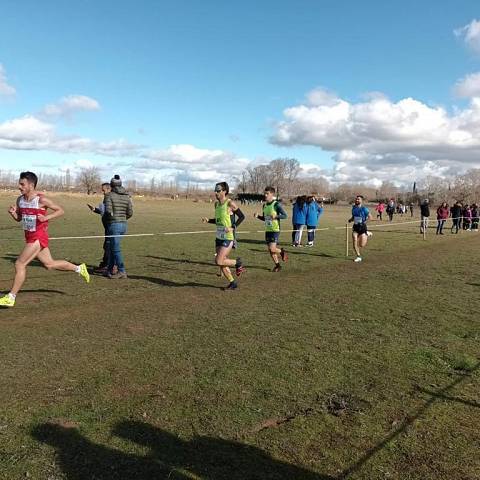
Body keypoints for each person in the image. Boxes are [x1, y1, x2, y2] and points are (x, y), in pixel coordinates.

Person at [0, 171, 90, 308]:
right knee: (49, 264)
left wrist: (46, 218)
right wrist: (13, 214)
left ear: (31, 185)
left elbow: (60, 210)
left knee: (20, 264)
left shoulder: (42, 200)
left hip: (38, 236)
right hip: (29, 237)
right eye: (19, 184)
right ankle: (79, 268)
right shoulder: (20, 200)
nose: (19, 186)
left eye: (22, 184)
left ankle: (11, 297)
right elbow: (20, 219)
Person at [201, 182, 245, 290]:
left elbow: (242, 217)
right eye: (215, 190)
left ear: (224, 191)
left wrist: (232, 227)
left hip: (228, 237)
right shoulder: (216, 204)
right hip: (219, 237)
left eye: (218, 190)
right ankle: (232, 282)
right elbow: (218, 220)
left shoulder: (230, 204)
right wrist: (209, 220)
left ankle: (237, 263)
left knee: (219, 261)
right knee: (221, 261)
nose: (216, 192)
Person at [103, 175, 133, 279]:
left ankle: (122, 271)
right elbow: (130, 213)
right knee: (112, 248)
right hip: (123, 225)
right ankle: (110, 270)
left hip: (114, 225)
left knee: (115, 249)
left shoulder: (109, 196)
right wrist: (122, 219)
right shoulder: (127, 196)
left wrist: (109, 220)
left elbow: (108, 211)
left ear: (111, 185)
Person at [254, 186, 288, 272]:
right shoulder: (264, 205)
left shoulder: (276, 204)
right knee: (270, 250)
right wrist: (258, 216)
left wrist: (276, 216)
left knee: (272, 249)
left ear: (272, 194)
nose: (265, 195)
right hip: (268, 229)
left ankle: (282, 251)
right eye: (264, 193)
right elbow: (265, 219)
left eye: (267, 193)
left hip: (275, 229)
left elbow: (285, 216)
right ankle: (277, 265)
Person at [87, 182, 113, 272]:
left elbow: (109, 212)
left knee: (108, 246)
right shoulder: (107, 197)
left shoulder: (110, 198)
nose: (102, 192)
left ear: (109, 189)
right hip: (107, 226)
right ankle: (105, 265)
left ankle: (108, 266)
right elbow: (104, 211)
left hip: (111, 226)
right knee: (107, 246)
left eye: (103, 190)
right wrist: (95, 210)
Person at [348, 195, 372, 263]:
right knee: (354, 240)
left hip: (362, 228)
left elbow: (370, 217)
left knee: (361, 245)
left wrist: (364, 223)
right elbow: (353, 216)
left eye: (358, 199)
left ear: (361, 201)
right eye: (356, 199)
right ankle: (358, 256)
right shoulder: (353, 208)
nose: (357, 200)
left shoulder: (364, 209)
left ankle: (367, 233)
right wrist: (350, 220)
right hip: (355, 227)